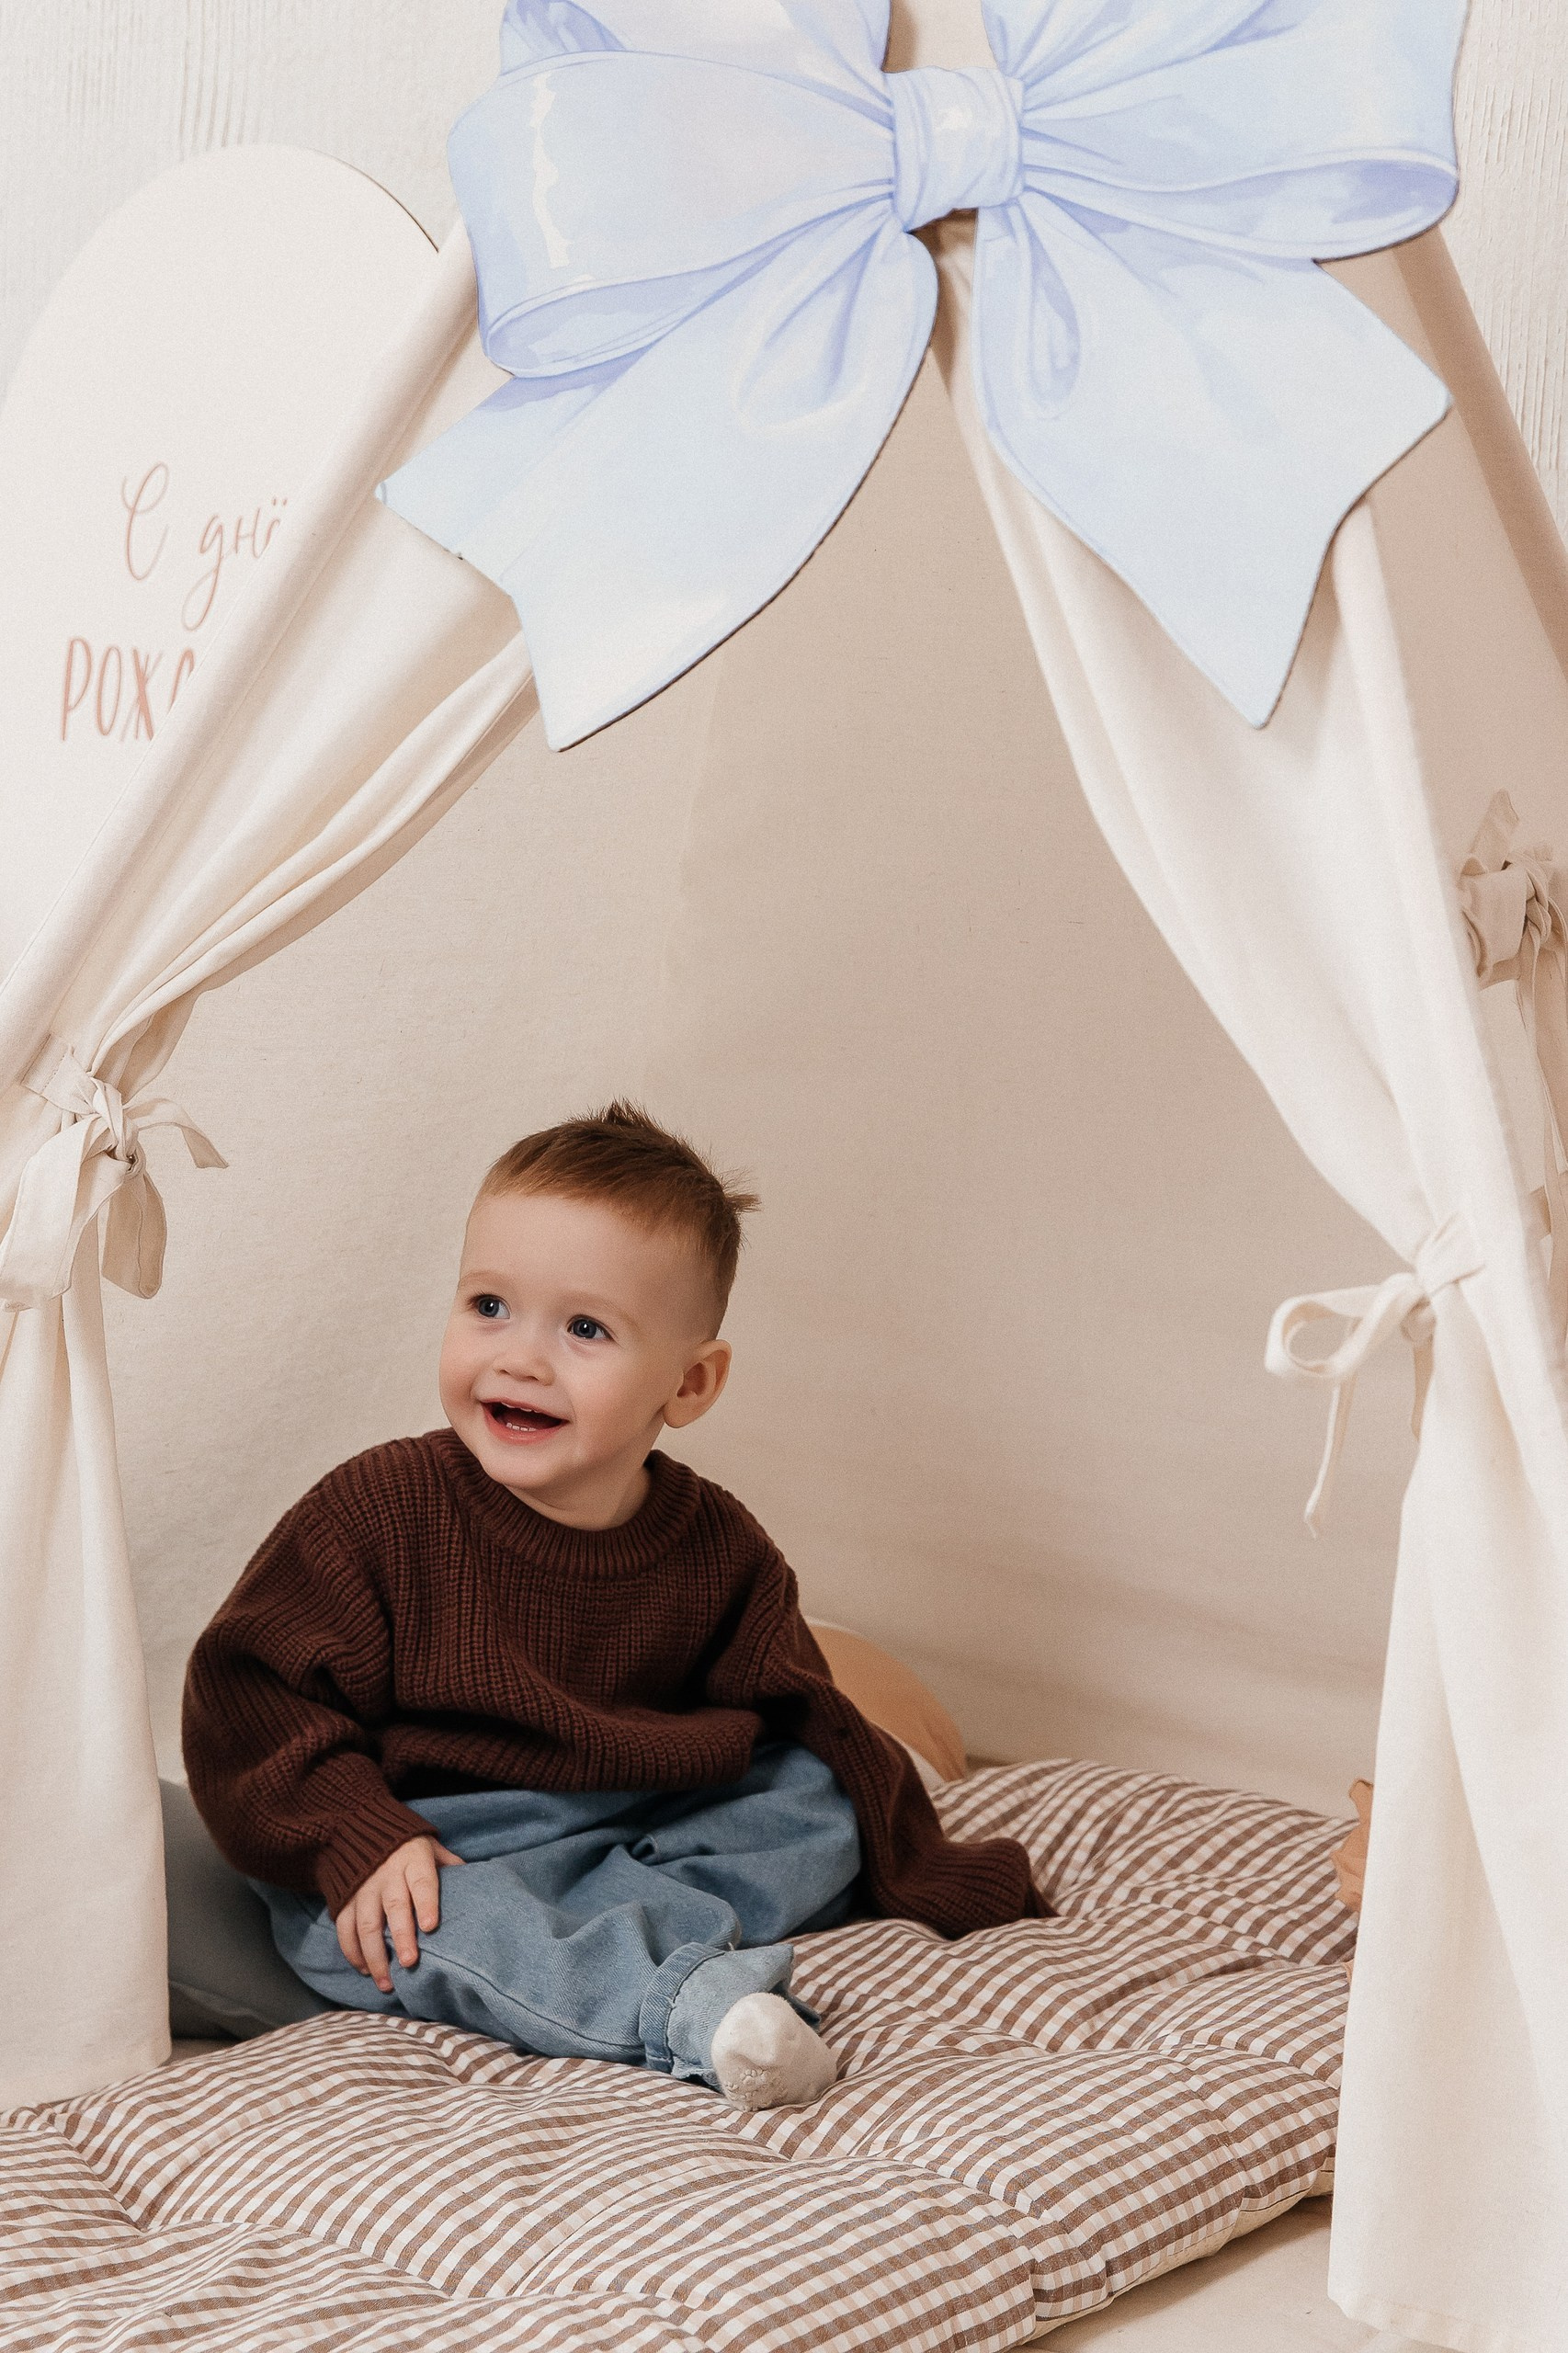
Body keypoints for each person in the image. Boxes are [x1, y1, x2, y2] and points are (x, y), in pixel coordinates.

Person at [183, 1103, 1040, 2109]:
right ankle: (683, 2007)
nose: (520, 1358)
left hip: (636, 1830)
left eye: (584, 1328)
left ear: (690, 1383)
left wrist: (924, 1862)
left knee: (821, 1796)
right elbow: (249, 1697)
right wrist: (355, 1833)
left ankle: (616, 1925)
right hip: (443, 1837)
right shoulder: (380, 1509)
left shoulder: (720, 1546)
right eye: (489, 1305)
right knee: (401, 1924)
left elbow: (812, 1714)